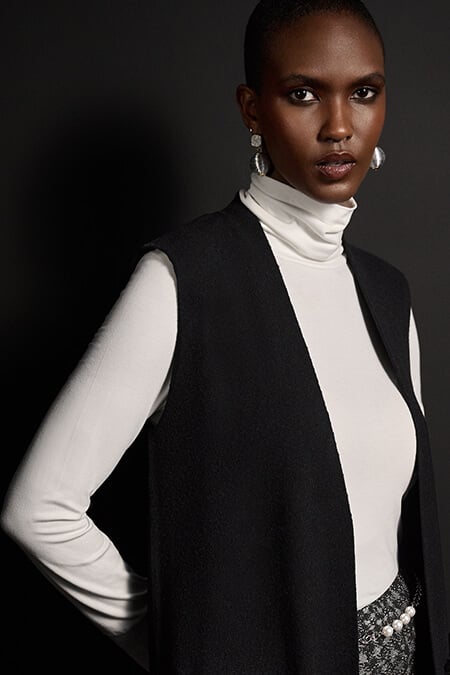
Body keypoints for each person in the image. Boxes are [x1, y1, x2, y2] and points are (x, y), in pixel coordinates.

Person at [2, 0, 449, 673]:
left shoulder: (388, 292)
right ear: (252, 108)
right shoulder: (185, 279)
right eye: (303, 94)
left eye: (364, 93)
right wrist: (180, 642)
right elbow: (39, 508)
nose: (339, 126)